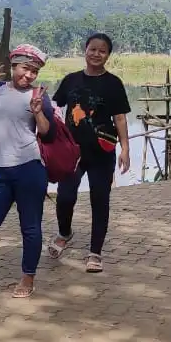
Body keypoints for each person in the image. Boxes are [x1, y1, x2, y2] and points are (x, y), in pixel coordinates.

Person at [0, 43, 54, 298]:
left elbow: (47, 133)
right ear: (13, 65)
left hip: (29, 168)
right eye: (25, 68)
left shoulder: (38, 95)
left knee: (30, 227)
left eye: (34, 71)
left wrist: (38, 113)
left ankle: (28, 277)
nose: (29, 75)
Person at [47, 32, 131, 273]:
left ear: (108, 55)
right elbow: (54, 108)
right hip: (71, 152)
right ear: (85, 50)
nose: (96, 54)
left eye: (102, 51)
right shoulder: (71, 80)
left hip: (102, 152)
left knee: (100, 199)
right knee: (65, 197)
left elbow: (120, 118)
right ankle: (65, 233)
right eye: (92, 49)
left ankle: (95, 252)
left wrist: (125, 148)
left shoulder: (113, 83)